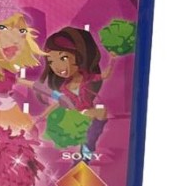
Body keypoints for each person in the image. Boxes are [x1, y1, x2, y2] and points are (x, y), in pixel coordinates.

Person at [18, 26, 116, 160]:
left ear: (78, 56)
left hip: (86, 113)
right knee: (93, 115)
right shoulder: (64, 88)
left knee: (101, 112)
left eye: (63, 58)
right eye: (51, 62)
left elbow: (105, 75)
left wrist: (112, 59)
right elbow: (55, 101)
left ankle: (89, 144)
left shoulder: (87, 77)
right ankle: (86, 146)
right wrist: (39, 118)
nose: (57, 67)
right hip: (73, 116)